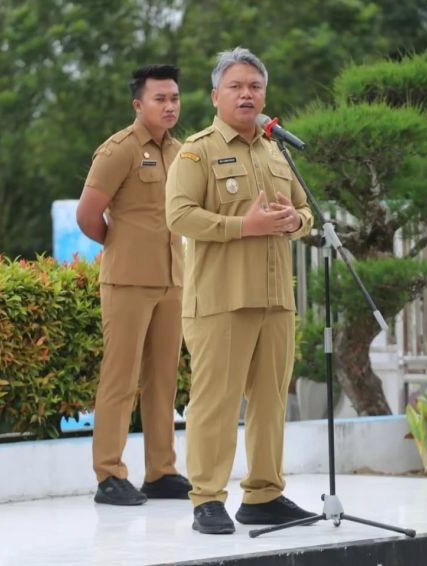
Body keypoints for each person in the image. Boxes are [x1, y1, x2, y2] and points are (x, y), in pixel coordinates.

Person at [165, 47, 315, 534]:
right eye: (236, 86)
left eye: (255, 86)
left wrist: (297, 220)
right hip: (221, 302)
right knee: (216, 404)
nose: (247, 94)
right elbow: (179, 215)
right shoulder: (198, 150)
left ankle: (265, 495)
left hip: (276, 300)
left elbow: (305, 212)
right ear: (215, 96)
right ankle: (206, 499)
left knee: (272, 402)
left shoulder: (276, 150)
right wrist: (241, 227)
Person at [76, 64, 191, 505]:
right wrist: (123, 247)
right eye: (160, 99)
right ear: (138, 105)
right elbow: (88, 215)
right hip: (127, 282)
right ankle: (109, 474)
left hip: (171, 280)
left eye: (175, 98)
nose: (169, 106)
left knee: (163, 379)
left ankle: (161, 471)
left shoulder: (182, 152)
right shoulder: (118, 150)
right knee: (120, 378)